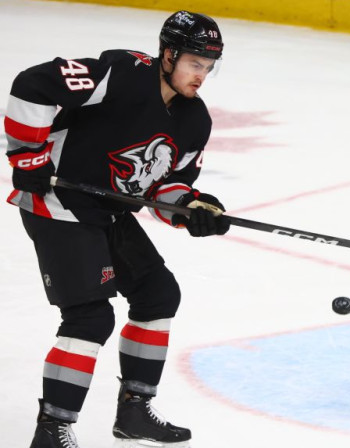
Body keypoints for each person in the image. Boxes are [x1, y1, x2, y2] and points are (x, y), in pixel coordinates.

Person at [5, 10, 231, 448]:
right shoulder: (122, 74)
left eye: (208, 67)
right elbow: (32, 83)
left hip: (107, 210)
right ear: (169, 54)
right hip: (58, 205)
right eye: (194, 63)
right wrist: (28, 158)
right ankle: (52, 430)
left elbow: (164, 188)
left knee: (158, 294)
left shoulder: (193, 119)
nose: (201, 75)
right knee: (90, 316)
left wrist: (193, 209)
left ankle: (134, 411)